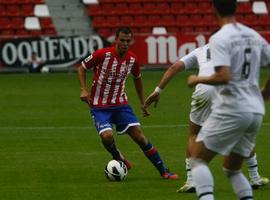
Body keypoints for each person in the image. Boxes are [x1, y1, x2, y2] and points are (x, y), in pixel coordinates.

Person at [144, 44, 269, 193]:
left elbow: (174, 67)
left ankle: (191, 180)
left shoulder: (201, 50)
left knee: (194, 134)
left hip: (204, 89)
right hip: (228, 90)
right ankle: (255, 177)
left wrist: (158, 91)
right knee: (242, 132)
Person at [184, 0, 270, 199]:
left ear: (213, 8)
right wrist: (266, 91)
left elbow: (223, 76)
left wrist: (197, 78)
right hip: (255, 111)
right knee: (232, 170)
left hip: (233, 108)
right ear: (236, 8)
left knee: (197, 159)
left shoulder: (219, 38)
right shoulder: (252, 34)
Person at [77, 27, 178, 180]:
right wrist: (83, 90)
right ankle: (118, 157)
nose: (124, 43)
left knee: (140, 137)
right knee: (106, 136)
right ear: (115, 40)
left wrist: (142, 102)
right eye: (122, 40)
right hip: (99, 106)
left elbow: (137, 79)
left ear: (131, 41)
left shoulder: (132, 59)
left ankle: (164, 171)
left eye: (127, 41)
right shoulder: (102, 54)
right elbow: (82, 68)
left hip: (121, 105)